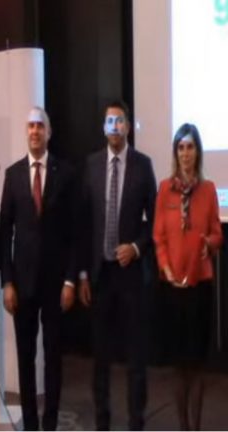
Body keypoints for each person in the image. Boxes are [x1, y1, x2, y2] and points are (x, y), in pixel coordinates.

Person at [78, 100, 157, 430]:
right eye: (109, 121)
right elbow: (83, 224)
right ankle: (102, 422)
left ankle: (136, 422)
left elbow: (154, 222)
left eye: (120, 121)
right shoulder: (92, 165)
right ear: (104, 127)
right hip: (99, 275)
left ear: (127, 126)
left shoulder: (143, 165)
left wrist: (136, 248)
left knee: (136, 357)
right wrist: (82, 274)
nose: (114, 127)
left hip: (130, 275)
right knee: (101, 358)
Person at [0, 107, 78, 430]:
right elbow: (4, 233)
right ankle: (30, 424)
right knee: (25, 357)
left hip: (56, 283)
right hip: (22, 284)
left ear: (49, 132)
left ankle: (50, 423)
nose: (34, 131)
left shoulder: (66, 173)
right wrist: (7, 282)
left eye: (40, 126)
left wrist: (71, 280)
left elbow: (74, 233)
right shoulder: (13, 175)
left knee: (53, 357)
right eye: (30, 126)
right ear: (26, 132)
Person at [152, 123, 222, 430]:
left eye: (190, 147)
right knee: (178, 366)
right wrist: (165, 267)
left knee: (197, 364)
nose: (185, 153)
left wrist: (210, 243)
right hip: (172, 287)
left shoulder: (208, 189)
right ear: (175, 152)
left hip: (199, 285)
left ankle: (196, 425)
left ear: (198, 152)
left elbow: (217, 232)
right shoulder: (164, 189)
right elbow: (158, 237)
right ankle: (183, 426)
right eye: (180, 147)